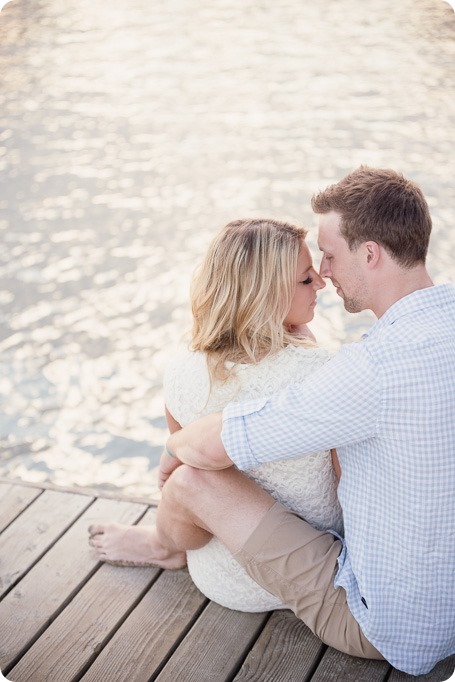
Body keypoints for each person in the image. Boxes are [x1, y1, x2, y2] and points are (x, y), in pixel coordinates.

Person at [89, 167, 455, 676]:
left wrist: (172, 451)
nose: (324, 272)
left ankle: (161, 544)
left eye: (328, 255)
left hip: (387, 622)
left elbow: (217, 448)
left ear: (370, 253)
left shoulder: (367, 371)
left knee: (195, 480)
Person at [90, 217, 343, 612]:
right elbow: (350, 493)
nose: (321, 284)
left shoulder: (183, 370)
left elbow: (177, 487)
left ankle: (163, 547)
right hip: (309, 577)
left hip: (219, 580)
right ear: (267, 295)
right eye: (306, 279)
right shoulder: (324, 374)